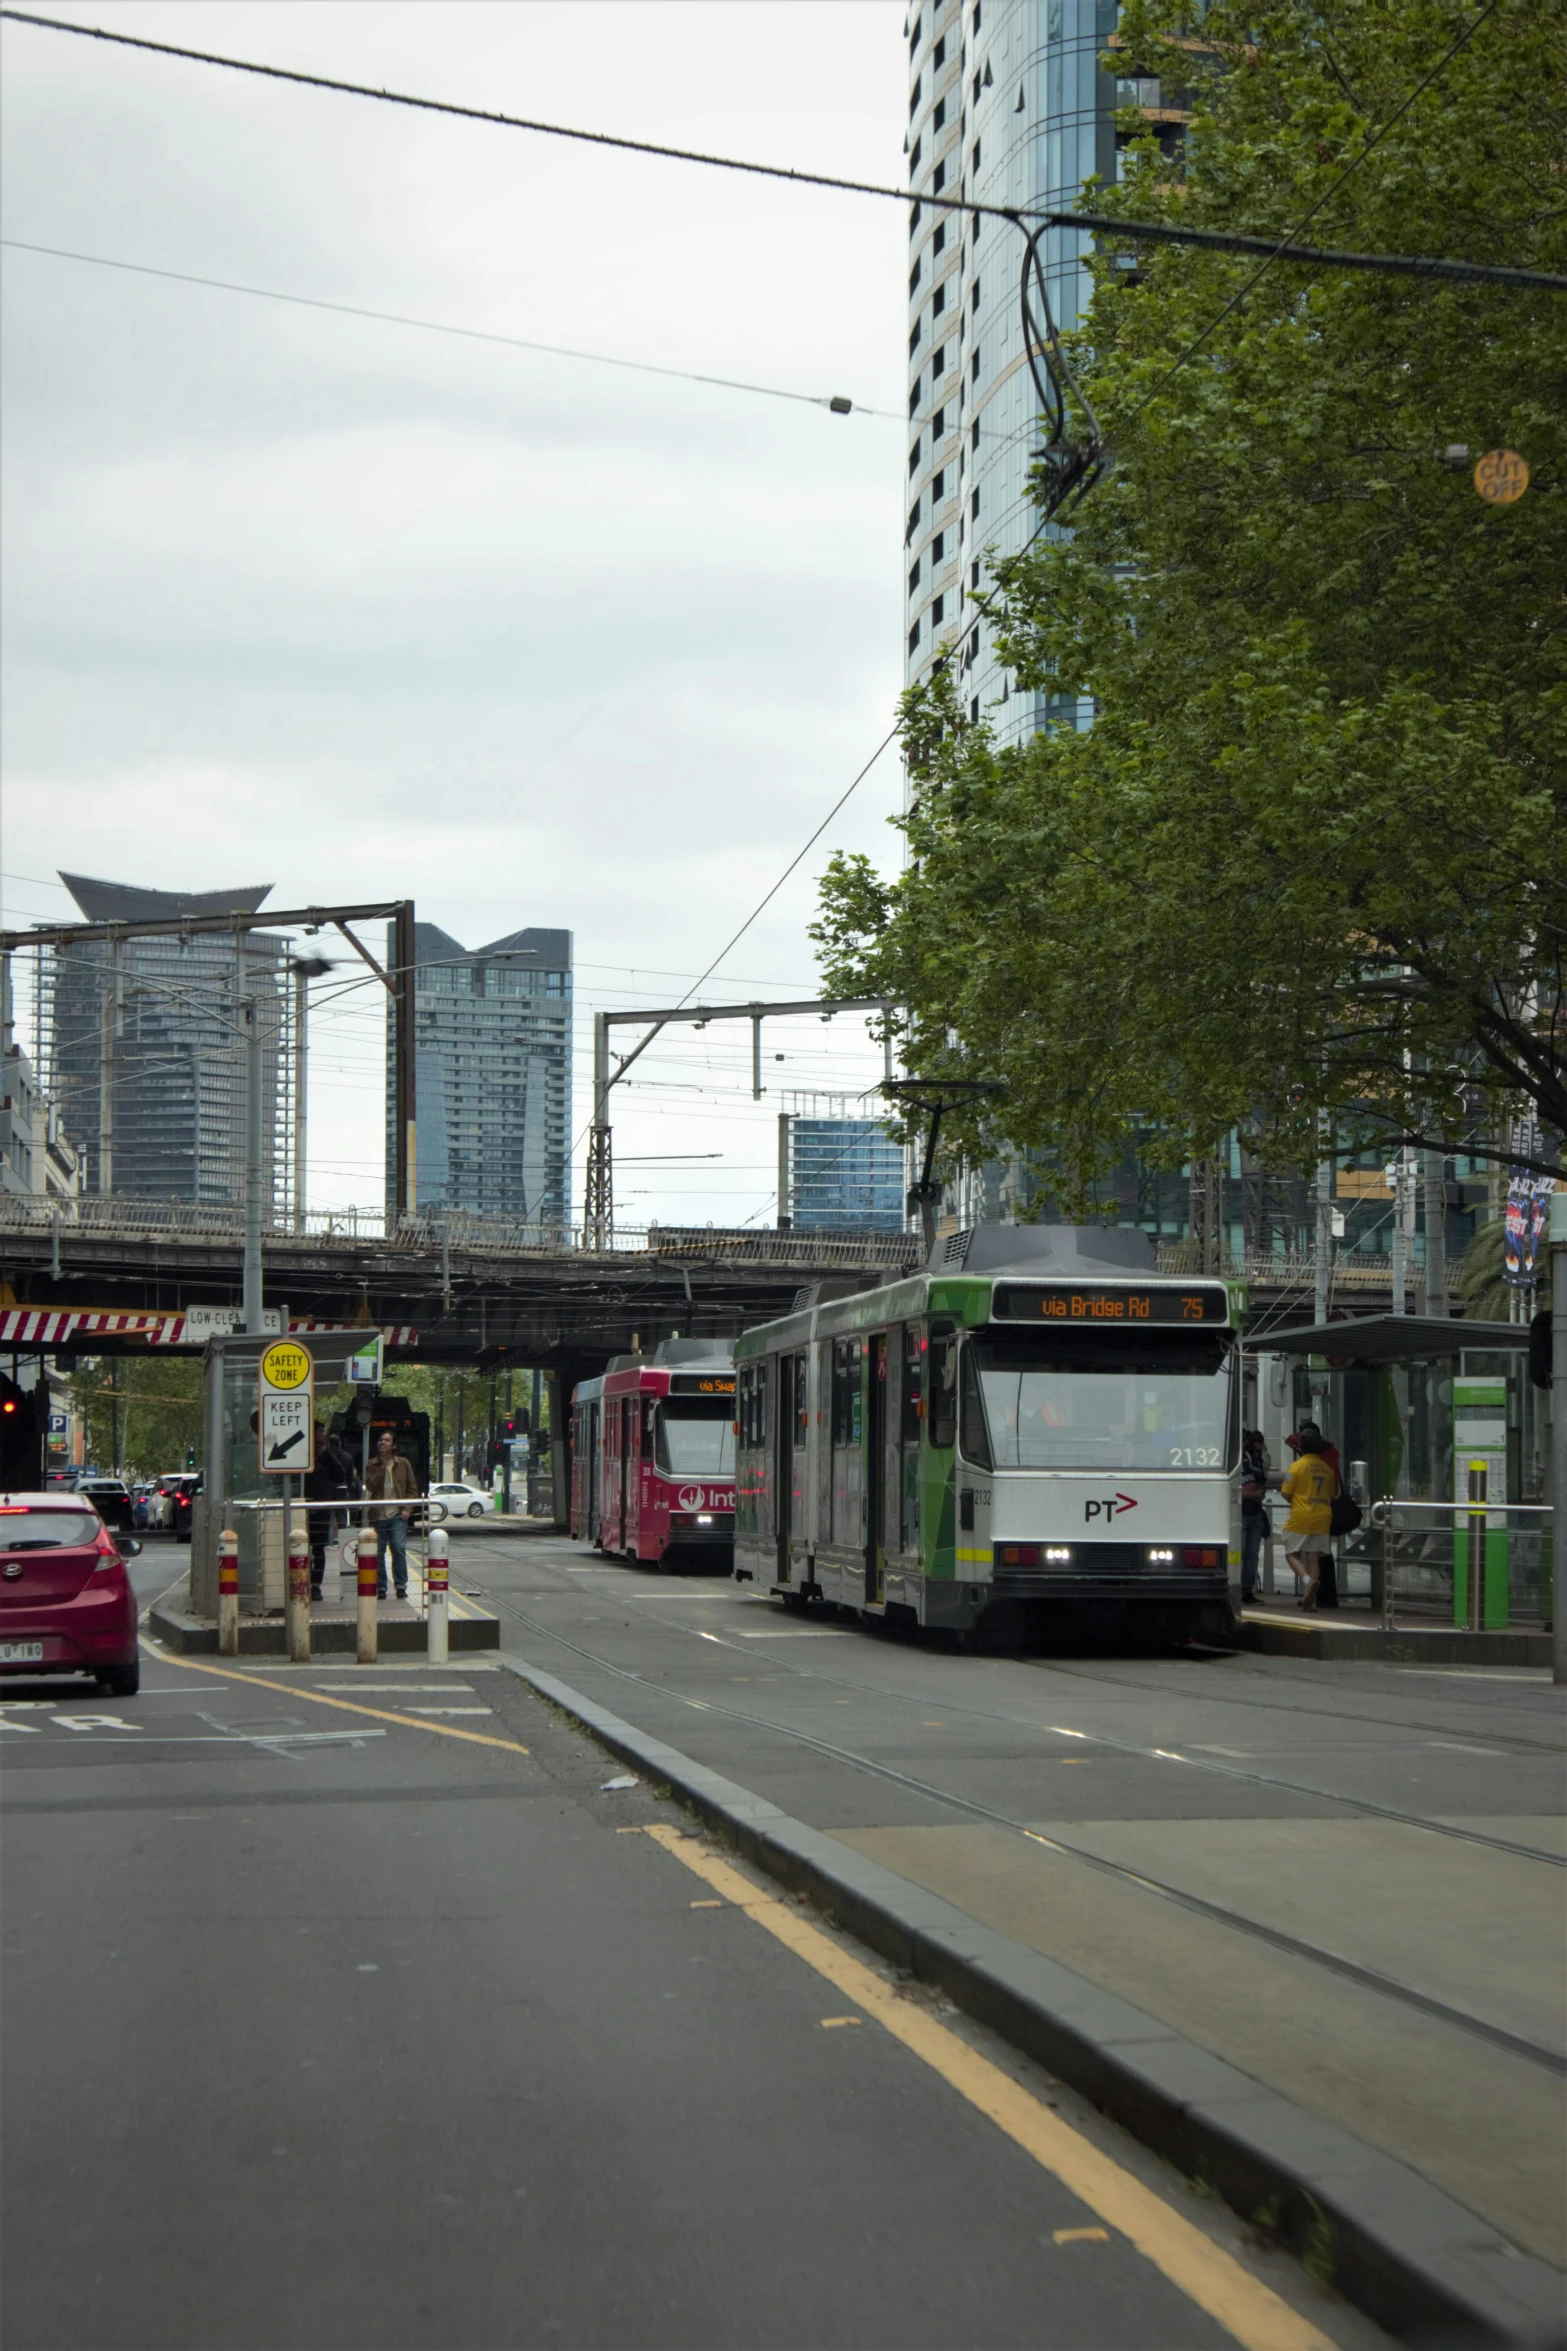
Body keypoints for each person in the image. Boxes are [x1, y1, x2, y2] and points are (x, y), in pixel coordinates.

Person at [1280, 1427, 1339, 1609]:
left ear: (1301, 1446)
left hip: (1301, 1516)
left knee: (1291, 1553)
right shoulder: (1327, 1469)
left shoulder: (1296, 1467)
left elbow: (1286, 1493)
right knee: (1314, 1557)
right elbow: (1332, 1493)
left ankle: (1307, 1582)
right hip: (1322, 1517)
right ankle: (1311, 1601)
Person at [303, 1420, 359, 1603]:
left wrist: (325, 1452)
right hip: (300, 1508)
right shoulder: (300, 1453)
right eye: (318, 1432)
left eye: (322, 1432)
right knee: (299, 1546)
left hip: (320, 1509)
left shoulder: (327, 1456)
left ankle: (315, 1586)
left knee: (319, 1548)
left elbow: (340, 1475)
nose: (321, 1436)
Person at [364, 1426, 420, 1601]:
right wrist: (381, 1467)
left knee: (398, 1547)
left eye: (386, 1440)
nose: (382, 1443)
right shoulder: (372, 1464)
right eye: (381, 1440)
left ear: (393, 1445)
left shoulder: (403, 1464)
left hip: (397, 1514)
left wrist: (407, 1509)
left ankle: (401, 1585)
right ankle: (381, 1586)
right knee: (378, 1551)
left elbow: (412, 1488)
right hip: (379, 1515)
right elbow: (370, 1487)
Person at [1239, 1429, 1269, 1605]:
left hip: (1255, 1510)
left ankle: (1246, 1591)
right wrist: (1251, 1495)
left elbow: (1262, 1479)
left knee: (1252, 1555)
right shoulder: (1233, 1460)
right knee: (1240, 1550)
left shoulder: (1254, 1459)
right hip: (1240, 1511)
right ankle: (1234, 1588)